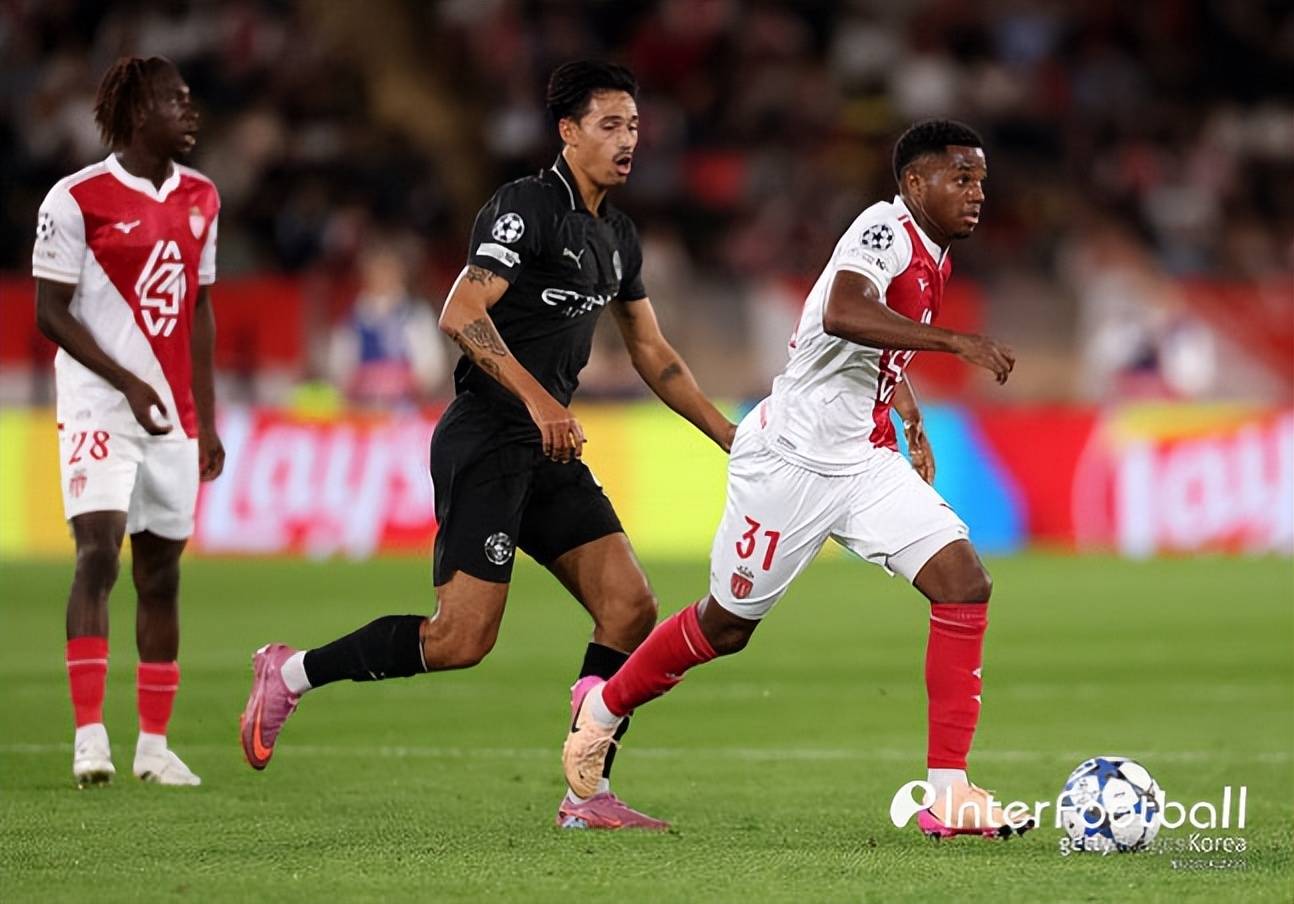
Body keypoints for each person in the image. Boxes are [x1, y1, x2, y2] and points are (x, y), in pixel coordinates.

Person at [239, 61, 735, 830]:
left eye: (634, 126)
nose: (627, 140)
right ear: (568, 132)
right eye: (609, 125)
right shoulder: (525, 208)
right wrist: (539, 401)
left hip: (548, 446)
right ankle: (291, 673)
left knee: (630, 606)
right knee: (460, 639)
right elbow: (460, 310)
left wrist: (730, 435)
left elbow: (652, 352)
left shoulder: (617, 237)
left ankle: (586, 795)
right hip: (488, 436)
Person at [564, 120, 1034, 838]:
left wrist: (906, 409)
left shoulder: (933, 251)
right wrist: (954, 342)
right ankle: (602, 707)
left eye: (981, 181)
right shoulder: (884, 228)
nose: (976, 194)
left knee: (964, 582)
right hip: (789, 461)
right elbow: (846, 312)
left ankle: (948, 793)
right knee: (726, 626)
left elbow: (865, 341)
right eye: (960, 178)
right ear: (915, 183)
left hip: (861, 462)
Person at [32, 56, 224, 788]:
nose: (191, 111)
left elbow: (200, 310)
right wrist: (128, 382)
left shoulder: (203, 197)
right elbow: (49, 312)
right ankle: (89, 737)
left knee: (161, 576)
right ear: (140, 112)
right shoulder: (75, 199)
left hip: (172, 415)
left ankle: (153, 746)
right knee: (97, 555)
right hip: (98, 405)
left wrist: (205, 416)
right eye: (177, 100)